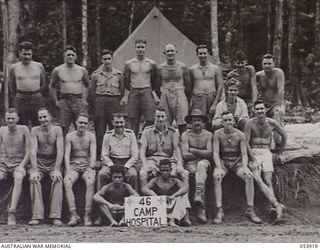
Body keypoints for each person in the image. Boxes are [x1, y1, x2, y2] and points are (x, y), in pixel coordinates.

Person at [212, 111, 261, 224]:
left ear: (234, 121)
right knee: (216, 177)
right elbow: (215, 152)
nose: (228, 123)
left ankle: (250, 209)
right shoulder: (218, 134)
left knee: (249, 176)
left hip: (237, 161)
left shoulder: (240, 135)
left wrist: (244, 167)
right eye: (225, 120)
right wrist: (219, 167)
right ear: (222, 122)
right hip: (223, 161)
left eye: (230, 120)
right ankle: (219, 211)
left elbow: (244, 153)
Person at [244, 100, 287, 218]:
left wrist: (280, 153)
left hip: (266, 152)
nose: (260, 111)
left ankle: (273, 207)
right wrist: (252, 158)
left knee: (268, 179)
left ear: (265, 110)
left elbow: (284, 135)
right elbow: (246, 143)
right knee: (257, 178)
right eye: (257, 109)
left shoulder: (272, 123)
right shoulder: (249, 123)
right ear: (254, 111)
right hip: (254, 152)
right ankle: (276, 205)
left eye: (261, 109)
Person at [29, 108, 64, 226]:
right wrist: (34, 170)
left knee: (57, 179)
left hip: (53, 161)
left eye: (45, 117)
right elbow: (32, 151)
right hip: (39, 161)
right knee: (34, 179)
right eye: (40, 117)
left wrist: (57, 169)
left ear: (50, 117)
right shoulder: (34, 130)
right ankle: (37, 215)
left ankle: (55, 215)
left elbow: (60, 151)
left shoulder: (57, 130)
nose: (42, 120)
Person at [90, 49, 124, 160]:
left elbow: (122, 91)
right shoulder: (95, 75)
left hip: (114, 101)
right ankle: (99, 157)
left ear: (112, 59)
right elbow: (92, 92)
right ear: (101, 60)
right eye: (105, 59)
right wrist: (96, 105)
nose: (107, 61)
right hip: (100, 101)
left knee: (115, 128)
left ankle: (115, 155)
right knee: (100, 131)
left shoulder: (118, 74)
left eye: (109, 58)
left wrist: (116, 102)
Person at [64, 113, 96, 226]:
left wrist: (91, 168)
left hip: (87, 165)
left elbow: (93, 154)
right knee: (67, 182)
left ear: (88, 125)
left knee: (90, 181)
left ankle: (88, 214)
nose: (82, 125)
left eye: (85, 123)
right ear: (76, 123)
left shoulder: (91, 136)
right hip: (74, 165)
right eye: (80, 122)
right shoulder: (70, 136)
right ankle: (73, 214)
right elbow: (67, 154)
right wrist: (68, 169)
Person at [49, 45, 90, 136]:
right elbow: (52, 86)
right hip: (64, 101)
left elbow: (87, 85)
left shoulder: (82, 70)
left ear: (75, 56)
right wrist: (56, 101)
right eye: (68, 55)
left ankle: (80, 149)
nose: (70, 57)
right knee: (63, 128)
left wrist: (84, 99)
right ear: (64, 56)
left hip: (78, 101)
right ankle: (63, 149)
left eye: (72, 55)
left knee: (81, 126)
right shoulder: (58, 70)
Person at [181, 109, 212, 223]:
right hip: (190, 163)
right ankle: (192, 209)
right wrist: (200, 152)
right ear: (190, 122)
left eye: (199, 120)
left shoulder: (208, 135)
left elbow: (209, 153)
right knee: (195, 173)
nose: (197, 123)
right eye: (194, 121)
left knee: (201, 166)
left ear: (203, 122)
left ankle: (200, 206)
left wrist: (193, 150)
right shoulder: (186, 135)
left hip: (204, 162)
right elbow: (184, 154)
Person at [122, 38, 158, 138]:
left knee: (150, 118)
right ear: (135, 48)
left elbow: (155, 80)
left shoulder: (151, 63)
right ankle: (133, 143)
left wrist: (153, 93)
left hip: (146, 90)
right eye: (138, 47)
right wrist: (127, 94)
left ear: (146, 48)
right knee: (133, 118)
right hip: (134, 91)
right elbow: (126, 80)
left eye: (142, 47)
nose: (140, 49)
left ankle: (147, 141)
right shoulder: (129, 63)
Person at [0, 108, 30, 225]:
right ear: (4, 119)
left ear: (17, 119)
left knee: (18, 178)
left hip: (19, 163)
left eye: (13, 118)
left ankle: (12, 212)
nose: (10, 121)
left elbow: (29, 150)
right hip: (3, 163)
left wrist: (22, 165)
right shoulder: (2, 130)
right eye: (8, 118)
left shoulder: (24, 129)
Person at [142, 159, 190, 227]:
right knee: (150, 193)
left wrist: (173, 196)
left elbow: (185, 188)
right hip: (160, 205)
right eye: (163, 170)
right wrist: (157, 197)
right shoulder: (156, 180)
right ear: (159, 170)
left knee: (182, 197)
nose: (165, 173)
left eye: (167, 170)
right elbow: (144, 189)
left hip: (172, 205)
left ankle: (173, 220)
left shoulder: (174, 180)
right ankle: (163, 219)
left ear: (171, 170)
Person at [98, 112, 139, 192]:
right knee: (102, 174)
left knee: (133, 175)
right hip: (112, 162)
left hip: (127, 162)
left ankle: (133, 200)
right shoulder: (107, 136)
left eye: (121, 122)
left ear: (125, 122)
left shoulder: (130, 134)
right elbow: (104, 154)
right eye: (117, 122)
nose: (119, 125)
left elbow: (135, 155)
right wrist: (111, 166)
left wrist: (127, 166)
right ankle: (100, 198)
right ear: (112, 122)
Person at [9, 41, 46, 127]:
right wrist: (19, 96)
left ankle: (36, 141)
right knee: (21, 125)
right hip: (21, 99)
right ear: (19, 53)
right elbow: (12, 86)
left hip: (36, 99)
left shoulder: (39, 66)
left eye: (29, 54)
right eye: (24, 54)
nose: (27, 57)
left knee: (39, 124)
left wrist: (36, 94)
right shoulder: (14, 67)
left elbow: (43, 84)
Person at [157, 44, 190, 135]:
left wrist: (183, 96)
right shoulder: (160, 68)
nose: (170, 53)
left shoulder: (182, 67)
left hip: (179, 93)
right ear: (164, 53)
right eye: (168, 51)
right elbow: (156, 85)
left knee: (182, 121)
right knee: (164, 121)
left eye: (172, 51)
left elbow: (188, 85)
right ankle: (165, 143)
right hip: (165, 93)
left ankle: (183, 143)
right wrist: (163, 94)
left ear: (176, 51)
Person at [256, 54, 285, 147]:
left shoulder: (278, 73)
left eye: (269, 63)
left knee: (277, 113)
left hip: (276, 103)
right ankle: (258, 141)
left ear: (274, 63)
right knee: (254, 115)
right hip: (264, 104)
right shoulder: (259, 75)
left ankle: (279, 142)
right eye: (265, 63)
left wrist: (279, 105)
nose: (267, 66)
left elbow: (281, 90)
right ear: (261, 64)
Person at [189, 45, 224, 121]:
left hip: (211, 98)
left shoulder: (215, 69)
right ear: (197, 55)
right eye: (200, 53)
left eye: (204, 53)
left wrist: (215, 103)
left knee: (212, 121)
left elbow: (220, 86)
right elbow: (190, 87)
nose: (202, 55)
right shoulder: (192, 69)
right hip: (198, 99)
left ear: (208, 54)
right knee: (199, 120)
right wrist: (190, 102)